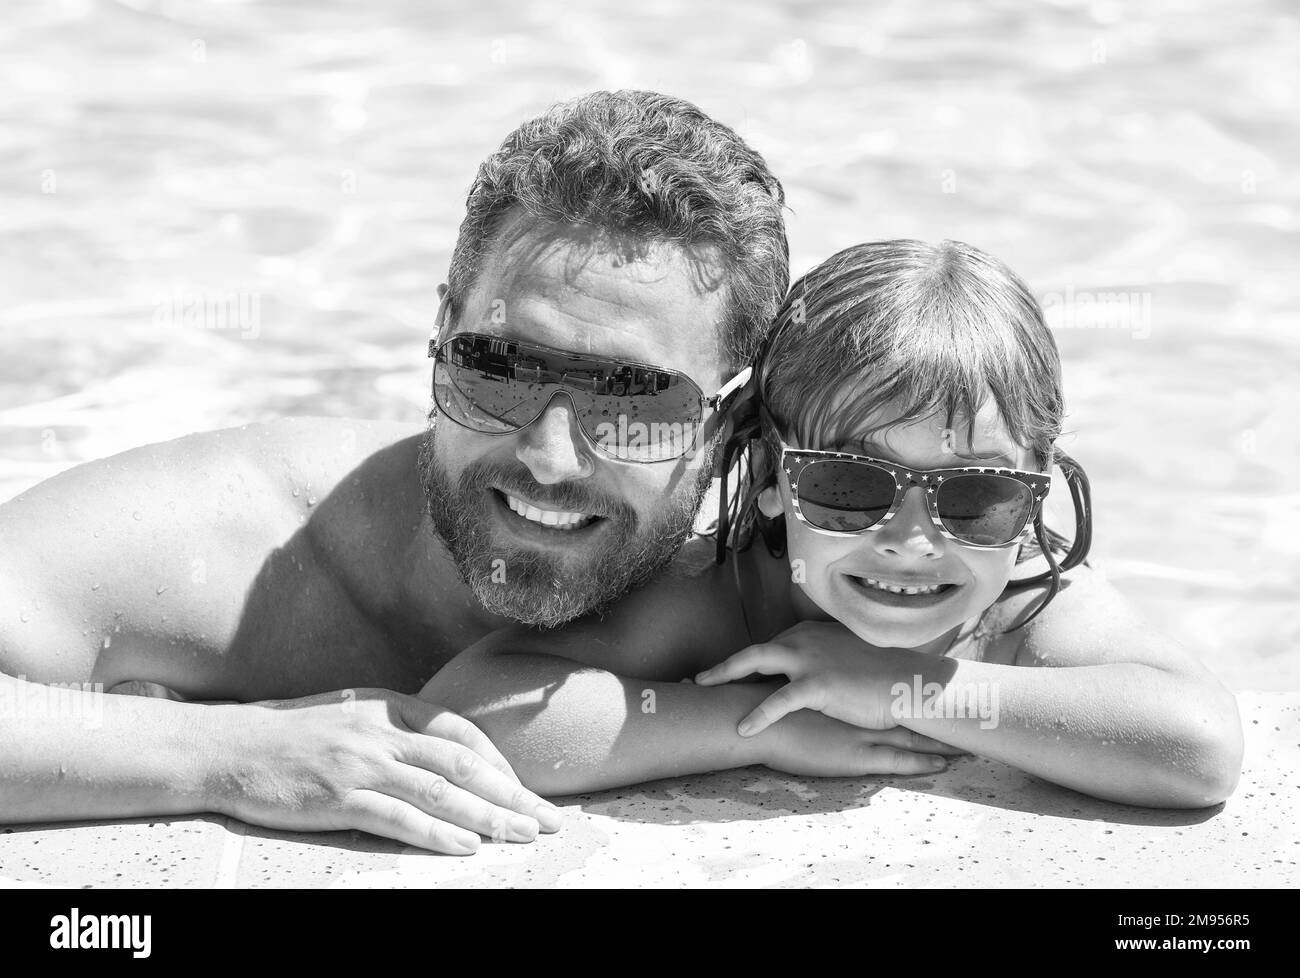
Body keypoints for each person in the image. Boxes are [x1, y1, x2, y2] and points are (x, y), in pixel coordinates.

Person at [4, 90, 902, 854]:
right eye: (499, 371)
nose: (550, 459)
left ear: (733, 424)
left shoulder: (806, 556)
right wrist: (234, 751)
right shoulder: (234, 543)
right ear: (441, 329)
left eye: (634, 406)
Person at [425, 240, 1243, 808]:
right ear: (773, 476)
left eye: (975, 499)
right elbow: (474, 713)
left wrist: (907, 693)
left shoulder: (1022, 603)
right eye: (850, 486)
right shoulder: (727, 596)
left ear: (1034, 497)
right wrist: (755, 732)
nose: (914, 539)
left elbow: (1196, 747)